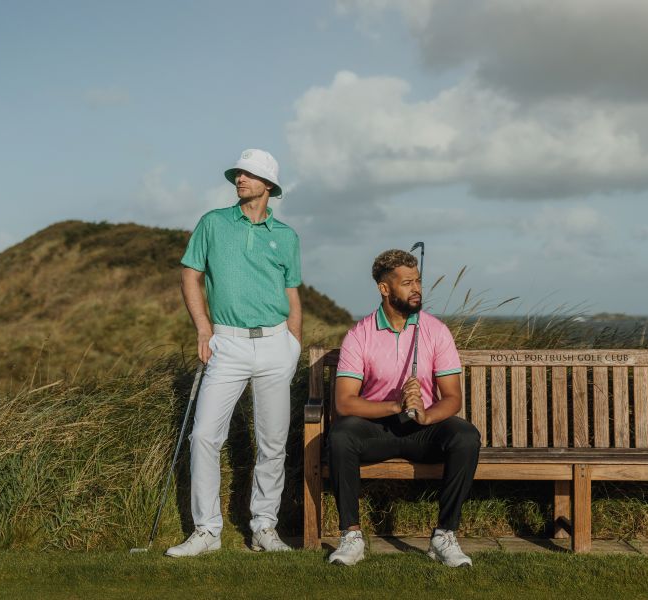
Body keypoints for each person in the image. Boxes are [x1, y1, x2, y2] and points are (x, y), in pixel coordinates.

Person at [166, 149, 302, 557]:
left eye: (250, 174)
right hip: (227, 343)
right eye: (239, 173)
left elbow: (292, 293)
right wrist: (203, 328)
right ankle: (207, 531)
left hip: (276, 344)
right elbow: (190, 274)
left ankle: (264, 527)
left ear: (268, 185)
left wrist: (293, 344)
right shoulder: (213, 223)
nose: (240, 179)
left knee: (273, 442)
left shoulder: (287, 236)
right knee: (204, 436)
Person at [327, 249, 481, 567]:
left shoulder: (435, 330)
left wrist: (427, 415)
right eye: (407, 283)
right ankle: (351, 536)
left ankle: (444, 535)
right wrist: (395, 405)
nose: (416, 289)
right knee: (341, 435)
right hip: (377, 428)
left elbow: (452, 397)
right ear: (385, 288)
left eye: (418, 281)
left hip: (422, 428)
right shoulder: (359, 334)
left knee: (466, 436)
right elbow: (345, 402)